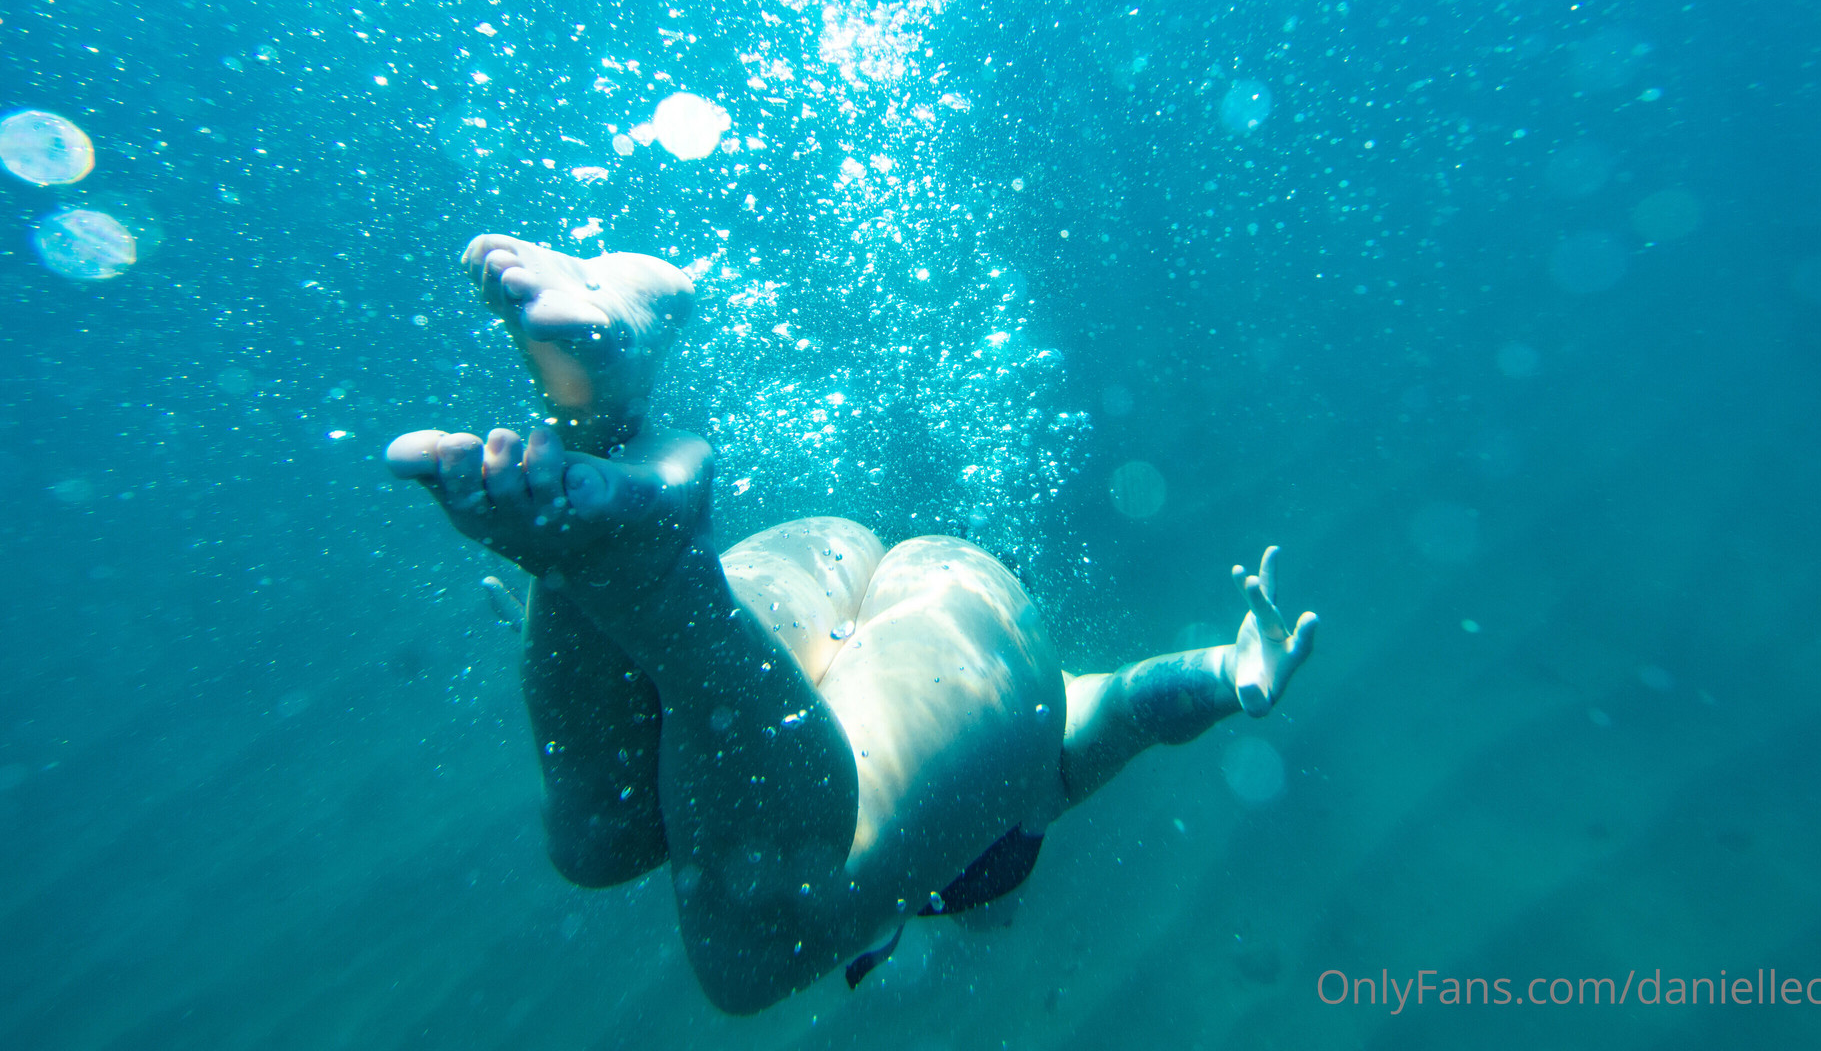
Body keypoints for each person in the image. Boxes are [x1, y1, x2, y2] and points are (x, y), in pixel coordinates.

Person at [386, 234, 1319, 1014]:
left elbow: (1141, 705)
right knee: (752, 951)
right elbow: (1125, 707)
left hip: (824, 556)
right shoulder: (1026, 771)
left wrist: (1228, 675)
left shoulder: (991, 738)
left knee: (602, 834)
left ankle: (600, 426)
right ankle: (649, 573)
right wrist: (1227, 675)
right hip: (966, 607)